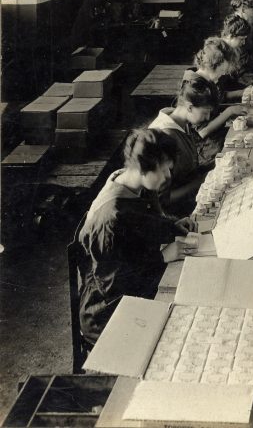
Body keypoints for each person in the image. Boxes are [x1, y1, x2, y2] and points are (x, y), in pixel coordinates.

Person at [79, 129, 195, 345]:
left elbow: (142, 221)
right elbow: (114, 282)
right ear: (143, 168)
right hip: (107, 310)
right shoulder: (111, 217)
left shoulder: (130, 180)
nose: (168, 176)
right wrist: (161, 257)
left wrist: (171, 226)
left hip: (131, 281)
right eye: (163, 170)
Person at [149, 74, 218, 214]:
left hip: (191, 189)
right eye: (205, 113)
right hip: (174, 212)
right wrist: (202, 181)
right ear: (190, 107)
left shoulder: (181, 122)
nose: (208, 118)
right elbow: (163, 200)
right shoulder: (165, 135)